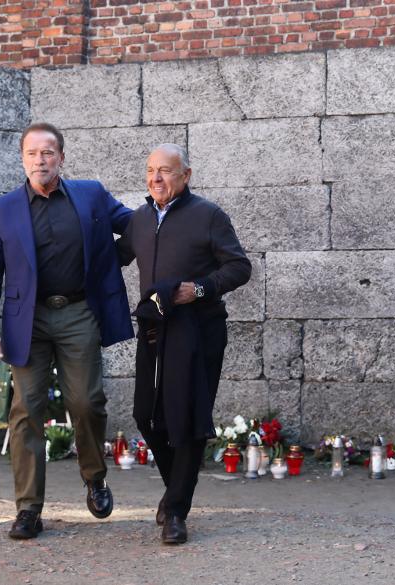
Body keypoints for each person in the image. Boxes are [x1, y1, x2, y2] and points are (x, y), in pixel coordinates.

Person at [0, 122, 133, 540]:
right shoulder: (2, 210)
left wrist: (113, 262)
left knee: (87, 402)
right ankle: (28, 509)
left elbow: (134, 228)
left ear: (61, 157)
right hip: (27, 322)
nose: (40, 160)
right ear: (22, 159)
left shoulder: (91, 195)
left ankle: (95, 477)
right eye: (32, 153)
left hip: (79, 312)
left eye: (48, 152)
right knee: (26, 410)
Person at [117, 143, 251, 544]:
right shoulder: (138, 220)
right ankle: (175, 489)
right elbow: (112, 259)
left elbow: (239, 267)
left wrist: (202, 288)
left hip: (199, 329)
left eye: (166, 171)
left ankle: (176, 510)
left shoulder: (208, 215)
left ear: (186, 175)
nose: (156, 178)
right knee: (146, 415)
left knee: (189, 420)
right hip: (155, 329)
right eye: (150, 171)